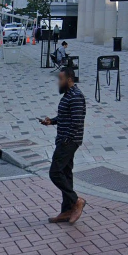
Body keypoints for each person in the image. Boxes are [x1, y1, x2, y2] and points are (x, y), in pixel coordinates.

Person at [39, 67, 87, 224]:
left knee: (55, 172)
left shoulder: (76, 96)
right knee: (66, 173)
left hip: (68, 141)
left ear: (69, 79)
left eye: (61, 79)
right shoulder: (69, 95)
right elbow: (66, 116)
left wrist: (67, 140)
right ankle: (67, 210)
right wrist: (52, 121)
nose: (59, 82)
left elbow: (77, 122)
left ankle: (77, 201)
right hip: (65, 140)